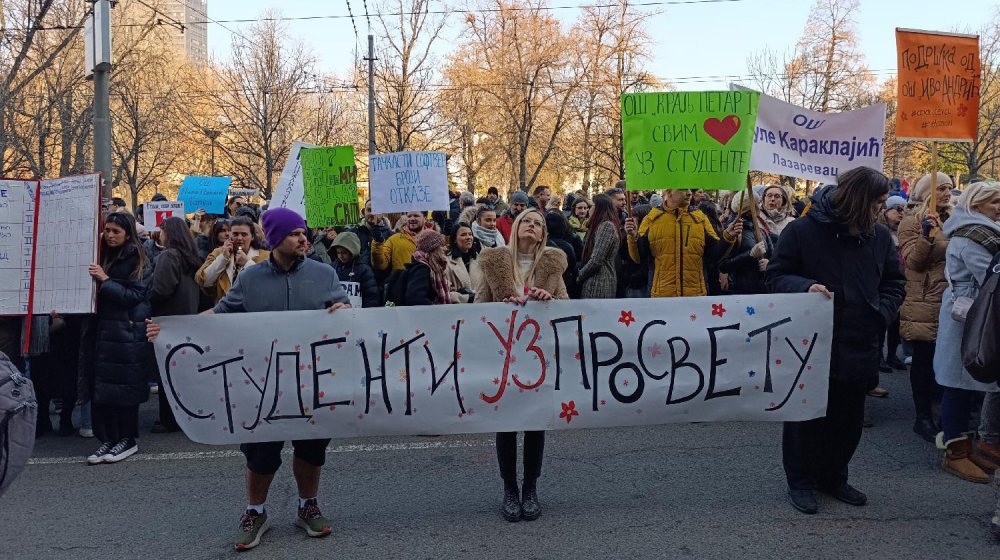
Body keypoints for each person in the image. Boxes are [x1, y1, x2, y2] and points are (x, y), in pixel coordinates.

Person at [148, 208, 350, 551]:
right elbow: (220, 315)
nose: (303, 238)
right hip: (263, 383)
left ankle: (307, 505)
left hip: (310, 381)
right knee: (261, 453)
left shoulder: (324, 273)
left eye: (303, 232)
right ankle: (256, 511)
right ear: (274, 239)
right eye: (294, 233)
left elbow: (344, 310)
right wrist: (172, 330)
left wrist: (344, 311)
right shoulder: (251, 279)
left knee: (312, 449)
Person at [766, 166, 905, 515]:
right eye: (878, 202)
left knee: (848, 421)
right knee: (806, 420)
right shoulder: (802, 231)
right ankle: (801, 482)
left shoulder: (880, 238)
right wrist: (804, 288)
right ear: (859, 200)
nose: (881, 209)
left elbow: (894, 284)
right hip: (811, 347)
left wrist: (880, 313)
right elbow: (776, 277)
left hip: (859, 343)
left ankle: (834, 477)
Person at [476, 208, 568, 522]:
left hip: (538, 359)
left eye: (538, 223)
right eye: (527, 221)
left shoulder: (553, 265)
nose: (532, 225)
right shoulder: (495, 262)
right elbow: (478, 309)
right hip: (502, 359)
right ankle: (509, 489)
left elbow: (567, 308)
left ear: (543, 234)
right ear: (515, 228)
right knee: (506, 424)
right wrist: (499, 306)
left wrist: (550, 301)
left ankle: (530, 488)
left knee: (534, 424)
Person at [933, 181, 1000, 483]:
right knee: (958, 383)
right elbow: (990, 277)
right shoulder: (973, 236)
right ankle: (954, 453)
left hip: (976, 313)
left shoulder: (981, 232)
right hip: (971, 315)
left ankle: (965, 446)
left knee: (967, 383)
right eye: (995, 202)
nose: (999, 207)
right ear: (977, 204)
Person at [84, 211, 153, 465]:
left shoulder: (140, 257)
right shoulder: (101, 253)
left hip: (127, 334)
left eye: (116, 231)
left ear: (128, 234)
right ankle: (109, 439)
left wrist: (105, 280)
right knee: (103, 389)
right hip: (103, 332)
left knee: (124, 389)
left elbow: (135, 295)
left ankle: (127, 439)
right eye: (107, 230)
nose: (110, 235)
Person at [898, 173, 954, 442]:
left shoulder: (955, 218)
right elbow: (913, 262)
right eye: (941, 188)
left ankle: (942, 410)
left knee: (946, 358)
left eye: (950, 188)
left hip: (950, 297)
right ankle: (922, 417)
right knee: (924, 360)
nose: (947, 193)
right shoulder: (911, 221)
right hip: (925, 298)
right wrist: (926, 234)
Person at [625, 189, 741, 298]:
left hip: (695, 296)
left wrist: (728, 236)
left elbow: (714, 256)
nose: (689, 193)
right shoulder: (651, 219)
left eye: (689, 189)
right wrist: (633, 236)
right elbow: (639, 258)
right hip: (662, 297)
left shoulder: (699, 218)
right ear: (669, 192)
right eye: (683, 189)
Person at [148, 217, 201, 434]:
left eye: (162, 230)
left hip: (168, 319)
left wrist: (147, 302)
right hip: (187, 318)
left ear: (168, 233)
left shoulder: (169, 255)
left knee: (166, 372)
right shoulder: (192, 256)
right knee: (182, 373)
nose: (159, 234)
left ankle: (168, 419)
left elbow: (161, 290)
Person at [196, 217, 269, 304]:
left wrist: (247, 264)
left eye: (244, 234)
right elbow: (204, 281)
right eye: (235, 234)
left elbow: (267, 285)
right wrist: (223, 258)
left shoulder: (265, 256)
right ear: (229, 235)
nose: (239, 238)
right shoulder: (218, 253)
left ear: (252, 237)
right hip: (225, 310)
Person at [719, 191, 775, 295]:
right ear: (749, 209)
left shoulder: (761, 229)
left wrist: (769, 264)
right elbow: (723, 266)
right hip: (741, 291)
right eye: (757, 204)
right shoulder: (734, 232)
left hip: (763, 289)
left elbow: (773, 255)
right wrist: (750, 254)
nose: (760, 207)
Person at [578, 194, 620, 299]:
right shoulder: (600, 225)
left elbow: (596, 260)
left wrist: (579, 276)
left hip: (599, 283)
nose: (588, 210)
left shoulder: (606, 226)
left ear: (599, 208)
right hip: (596, 280)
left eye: (591, 206)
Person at [400, 230, 454, 306]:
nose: (445, 248)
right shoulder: (422, 269)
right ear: (432, 249)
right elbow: (416, 298)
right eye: (441, 246)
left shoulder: (429, 268)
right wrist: (435, 309)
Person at [329, 232, 379, 308]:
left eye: (344, 253)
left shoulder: (364, 270)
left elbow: (371, 297)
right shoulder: (331, 268)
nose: (340, 256)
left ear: (352, 251)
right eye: (338, 252)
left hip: (357, 315)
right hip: (335, 313)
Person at [545, 211, 581, 298]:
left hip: (545, 287)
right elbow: (573, 266)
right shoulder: (567, 247)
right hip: (565, 285)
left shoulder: (540, 244)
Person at [447, 222, 482, 303]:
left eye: (470, 234)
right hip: (459, 311)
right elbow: (445, 293)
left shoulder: (480, 260)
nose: (468, 237)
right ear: (455, 239)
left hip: (480, 308)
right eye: (463, 235)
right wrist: (466, 297)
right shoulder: (446, 263)